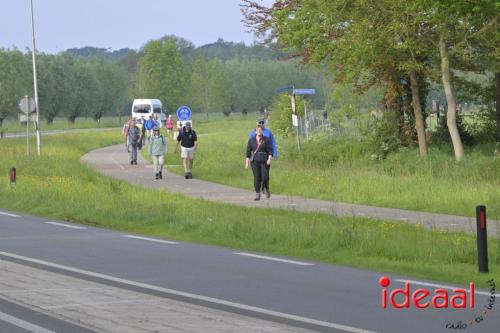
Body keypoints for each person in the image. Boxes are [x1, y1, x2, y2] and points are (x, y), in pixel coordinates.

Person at [249, 119, 277, 195]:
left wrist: (274, 154)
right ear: (256, 124)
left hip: (266, 157)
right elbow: (250, 146)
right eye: (259, 123)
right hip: (256, 157)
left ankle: (265, 188)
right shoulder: (252, 133)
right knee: (258, 175)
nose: (261, 124)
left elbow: (273, 143)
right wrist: (249, 158)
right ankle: (259, 189)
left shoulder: (268, 132)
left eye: (262, 123)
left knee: (266, 174)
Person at [245, 126, 273, 200]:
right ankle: (257, 194)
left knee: (264, 177)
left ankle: (266, 188)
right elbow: (248, 152)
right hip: (255, 162)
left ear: (262, 131)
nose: (259, 131)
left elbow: (270, 150)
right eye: (258, 130)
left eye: (260, 130)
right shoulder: (251, 140)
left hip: (264, 161)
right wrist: (247, 162)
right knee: (257, 178)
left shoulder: (266, 140)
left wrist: (269, 158)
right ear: (255, 131)